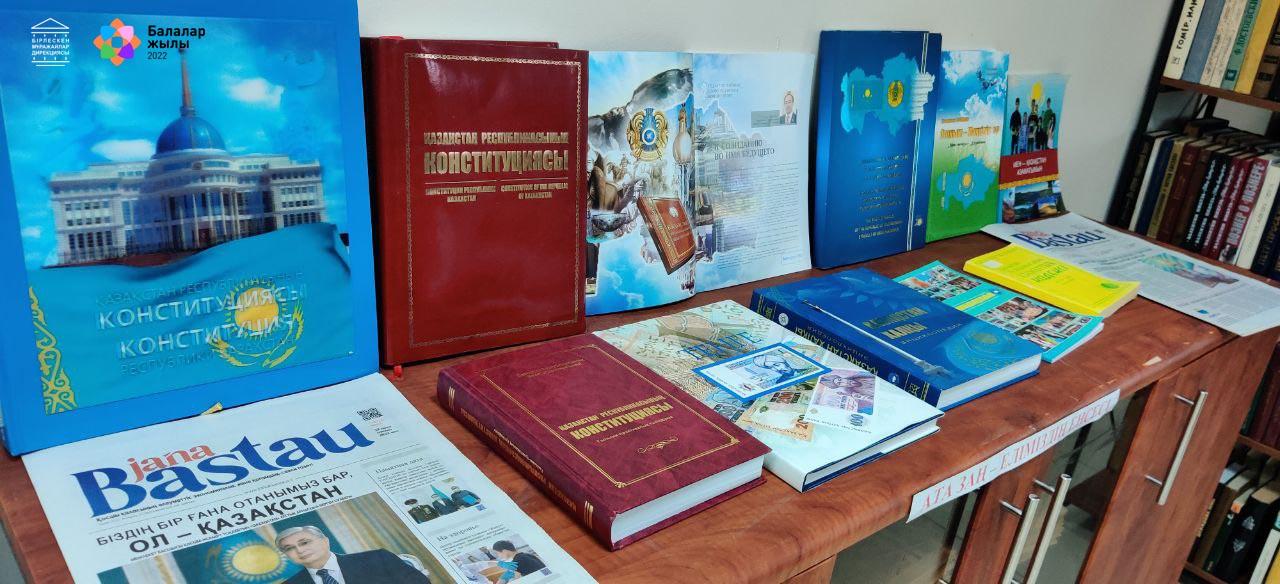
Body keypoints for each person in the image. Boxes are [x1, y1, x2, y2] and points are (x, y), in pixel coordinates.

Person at [276, 525, 430, 584]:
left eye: (304, 542)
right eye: (289, 548)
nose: (300, 550)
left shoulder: (378, 558)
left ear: (325, 541)